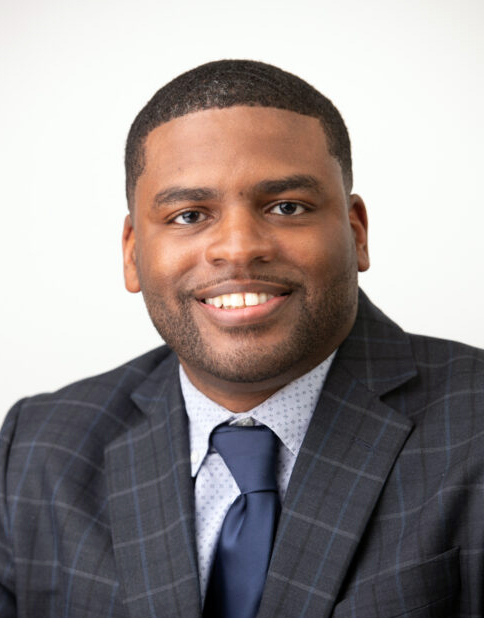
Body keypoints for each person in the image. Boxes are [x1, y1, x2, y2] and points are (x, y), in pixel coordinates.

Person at [0, 59, 482, 618]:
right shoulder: (35, 450)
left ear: (356, 233)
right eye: (188, 215)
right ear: (132, 252)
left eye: (286, 207)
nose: (238, 247)